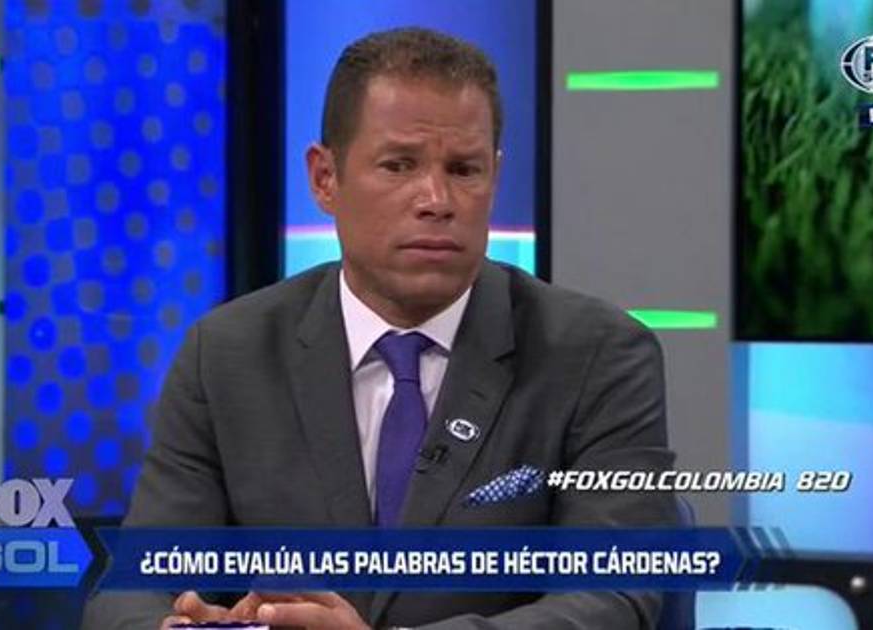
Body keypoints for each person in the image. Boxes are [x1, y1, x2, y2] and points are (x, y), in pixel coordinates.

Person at [82, 27, 680, 630]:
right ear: (325, 178)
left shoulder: (597, 356)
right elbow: (129, 594)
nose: (437, 199)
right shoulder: (227, 355)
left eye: (464, 169)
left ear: (494, 178)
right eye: (399, 165)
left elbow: (613, 599)